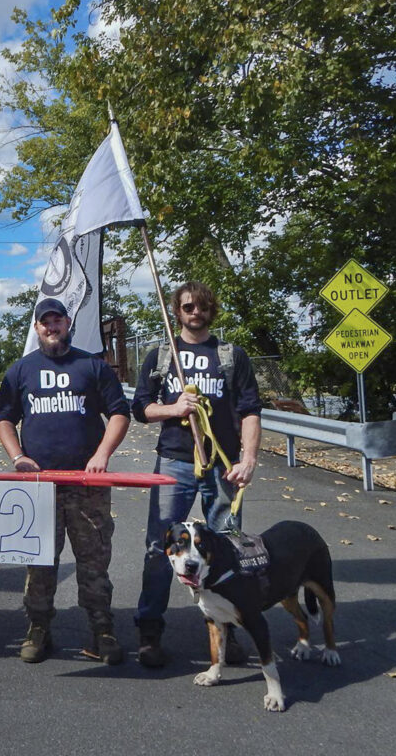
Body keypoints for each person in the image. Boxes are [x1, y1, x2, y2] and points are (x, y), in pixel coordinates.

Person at [131, 280, 263, 668]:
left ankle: (227, 630)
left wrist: (249, 458)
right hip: (174, 461)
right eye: (188, 306)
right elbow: (141, 408)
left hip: (222, 465)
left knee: (226, 546)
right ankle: (150, 632)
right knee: (160, 547)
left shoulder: (230, 356)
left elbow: (251, 410)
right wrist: (173, 408)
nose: (195, 312)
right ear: (177, 311)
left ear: (211, 310)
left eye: (202, 306)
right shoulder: (160, 355)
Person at [0, 298, 131, 664]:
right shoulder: (20, 370)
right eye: (45, 322)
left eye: (57, 320)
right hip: (39, 486)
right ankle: (38, 628)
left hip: (88, 484)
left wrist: (102, 454)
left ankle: (102, 629)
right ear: (36, 327)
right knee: (39, 562)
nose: (51, 327)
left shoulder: (91, 365)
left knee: (94, 560)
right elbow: (4, 417)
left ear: (68, 323)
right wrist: (17, 456)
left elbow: (119, 413)